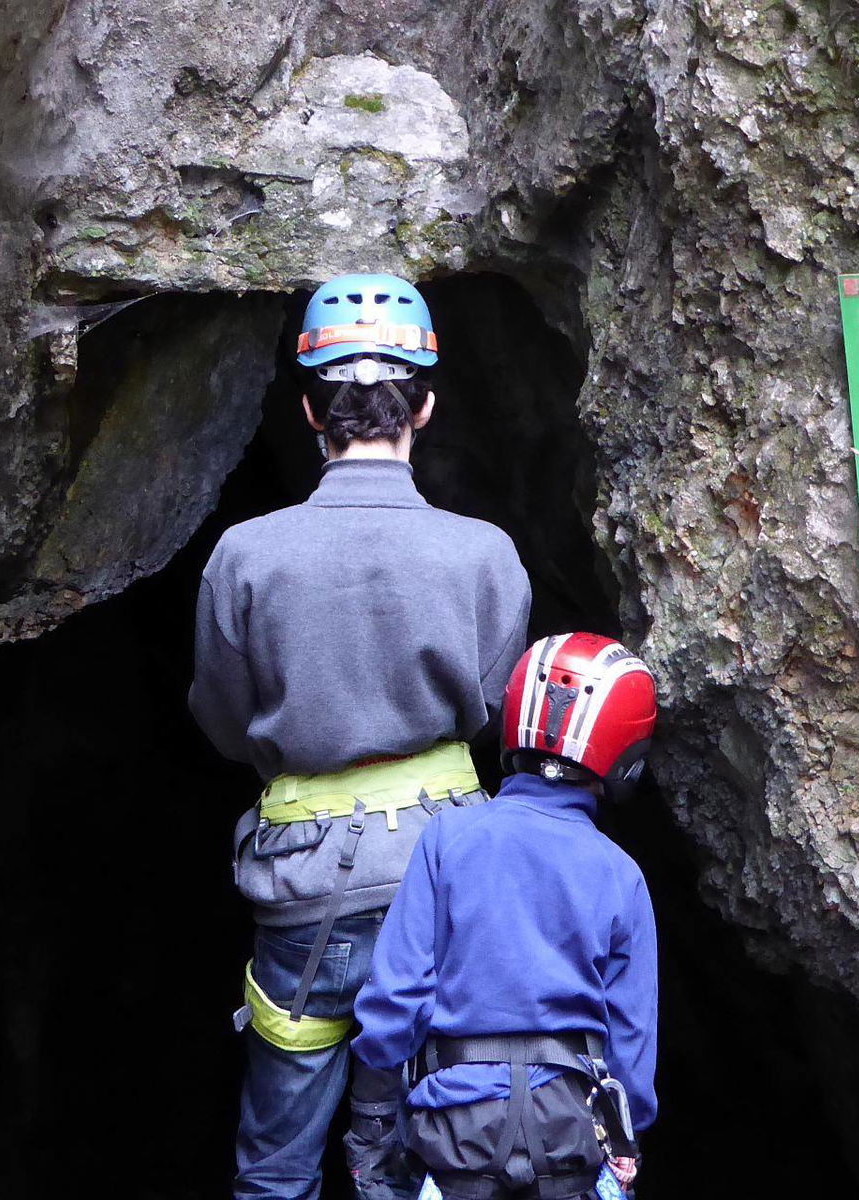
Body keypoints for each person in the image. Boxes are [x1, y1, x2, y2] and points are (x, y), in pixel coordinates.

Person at [190, 272, 533, 1200]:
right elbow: (503, 718)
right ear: (426, 405)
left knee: (278, 1158)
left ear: (309, 411)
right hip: (451, 869)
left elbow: (221, 720)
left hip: (307, 881)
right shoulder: (484, 554)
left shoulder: (245, 556)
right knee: (445, 1140)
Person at [351, 632, 660, 1200]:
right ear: (624, 752)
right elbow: (631, 1045)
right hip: (572, 1132)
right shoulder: (622, 875)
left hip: (454, 1132)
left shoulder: (448, 837)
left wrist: (370, 1128)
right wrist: (625, 1140)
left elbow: (395, 996)